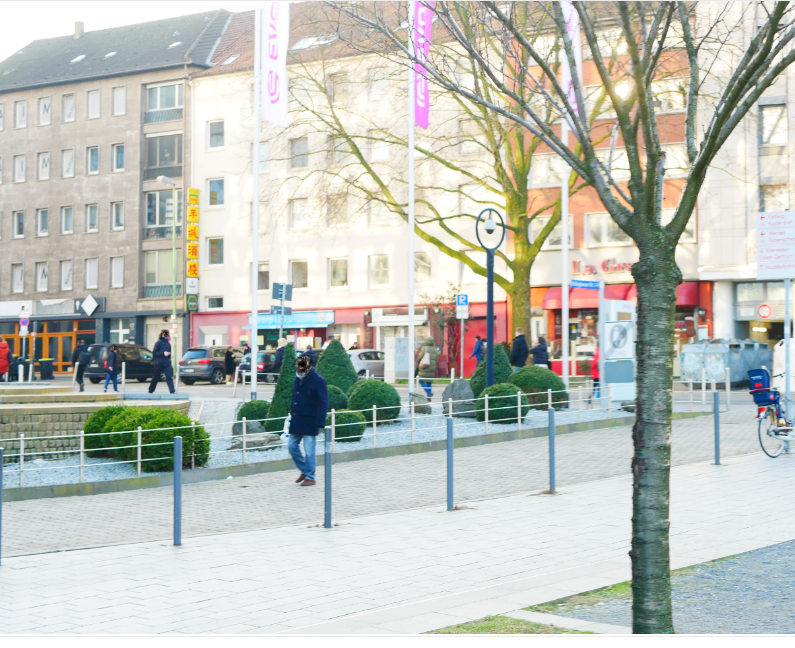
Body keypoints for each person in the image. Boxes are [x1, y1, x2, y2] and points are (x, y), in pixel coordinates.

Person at [289, 354, 329, 487]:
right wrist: (291, 412)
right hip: (297, 418)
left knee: (309, 451)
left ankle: (310, 477)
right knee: (291, 446)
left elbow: (324, 401)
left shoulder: (318, 380)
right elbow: (295, 396)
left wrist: (320, 421)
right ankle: (305, 470)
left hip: (311, 420)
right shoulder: (297, 378)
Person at [149, 329, 175, 394]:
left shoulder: (168, 344)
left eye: (167, 333)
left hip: (167, 363)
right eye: (165, 333)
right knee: (156, 377)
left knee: (169, 377)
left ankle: (172, 390)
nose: (167, 335)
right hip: (159, 363)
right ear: (162, 334)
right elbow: (154, 353)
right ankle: (151, 390)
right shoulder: (158, 343)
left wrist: (169, 360)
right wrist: (163, 354)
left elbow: (169, 353)